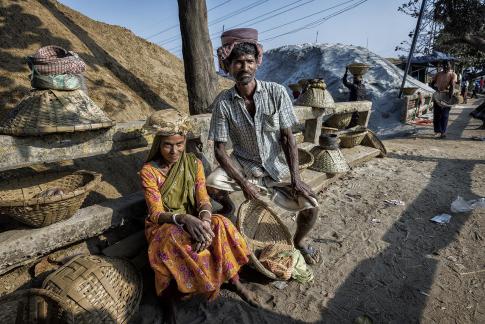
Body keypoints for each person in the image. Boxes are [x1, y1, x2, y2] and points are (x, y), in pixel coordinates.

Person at [208, 28, 320, 265]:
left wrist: (296, 178)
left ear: (257, 63)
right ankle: (228, 207)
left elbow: (288, 138)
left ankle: (298, 241)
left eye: (249, 61)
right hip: (244, 164)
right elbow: (219, 150)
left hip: (276, 166)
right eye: (238, 62)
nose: (244, 67)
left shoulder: (276, 92)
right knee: (211, 185)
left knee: (311, 207)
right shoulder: (223, 102)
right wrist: (244, 184)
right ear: (228, 66)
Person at [140, 110, 259, 315]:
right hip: (164, 225)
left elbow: (203, 198)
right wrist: (184, 219)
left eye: (179, 144)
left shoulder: (193, 164)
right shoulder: (149, 172)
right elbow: (156, 213)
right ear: (158, 144)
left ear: (185, 142)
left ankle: (235, 281)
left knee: (221, 223)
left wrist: (203, 219)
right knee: (171, 237)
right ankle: (169, 302)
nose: (174, 151)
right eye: (168, 144)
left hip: (194, 218)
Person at [430, 61, 457, 138]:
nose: (445, 67)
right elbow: (432, 83)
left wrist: (450, 96)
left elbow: (452, 85)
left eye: (447, 66)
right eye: (444, 66)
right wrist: (435, 88)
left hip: (446, 95)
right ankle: (437, 130)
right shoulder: (438, 74)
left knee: (445, 115)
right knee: (437, 114)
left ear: (450, 66)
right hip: (438, 95)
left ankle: (443, 132)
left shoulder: (453, 74)